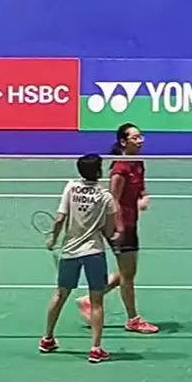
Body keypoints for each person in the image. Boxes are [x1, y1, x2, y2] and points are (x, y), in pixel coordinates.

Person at [76, 123, 159, 334]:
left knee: (126, 272)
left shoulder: (137, 162)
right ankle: (133, 319)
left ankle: (89, 300)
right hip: (119, 225)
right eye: (135, 138)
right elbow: (113, 199)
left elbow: (141, 188)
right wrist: (119, 228)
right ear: (123, 142)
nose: (140, 141)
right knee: (128, 275)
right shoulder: (120, 168)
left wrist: (143, 198)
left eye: (140, 137)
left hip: (131, 222)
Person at [40, 153, 119, 363]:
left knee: (60, 294)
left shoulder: (70, 187)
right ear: (99, 171)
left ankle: (47, 339)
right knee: (96, 302)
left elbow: (59, 219)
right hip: (94, 252)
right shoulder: (106, 197)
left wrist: (53, 239)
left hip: (69, 251)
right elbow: (109, 231)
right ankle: (95, 349)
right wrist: (112, 235)